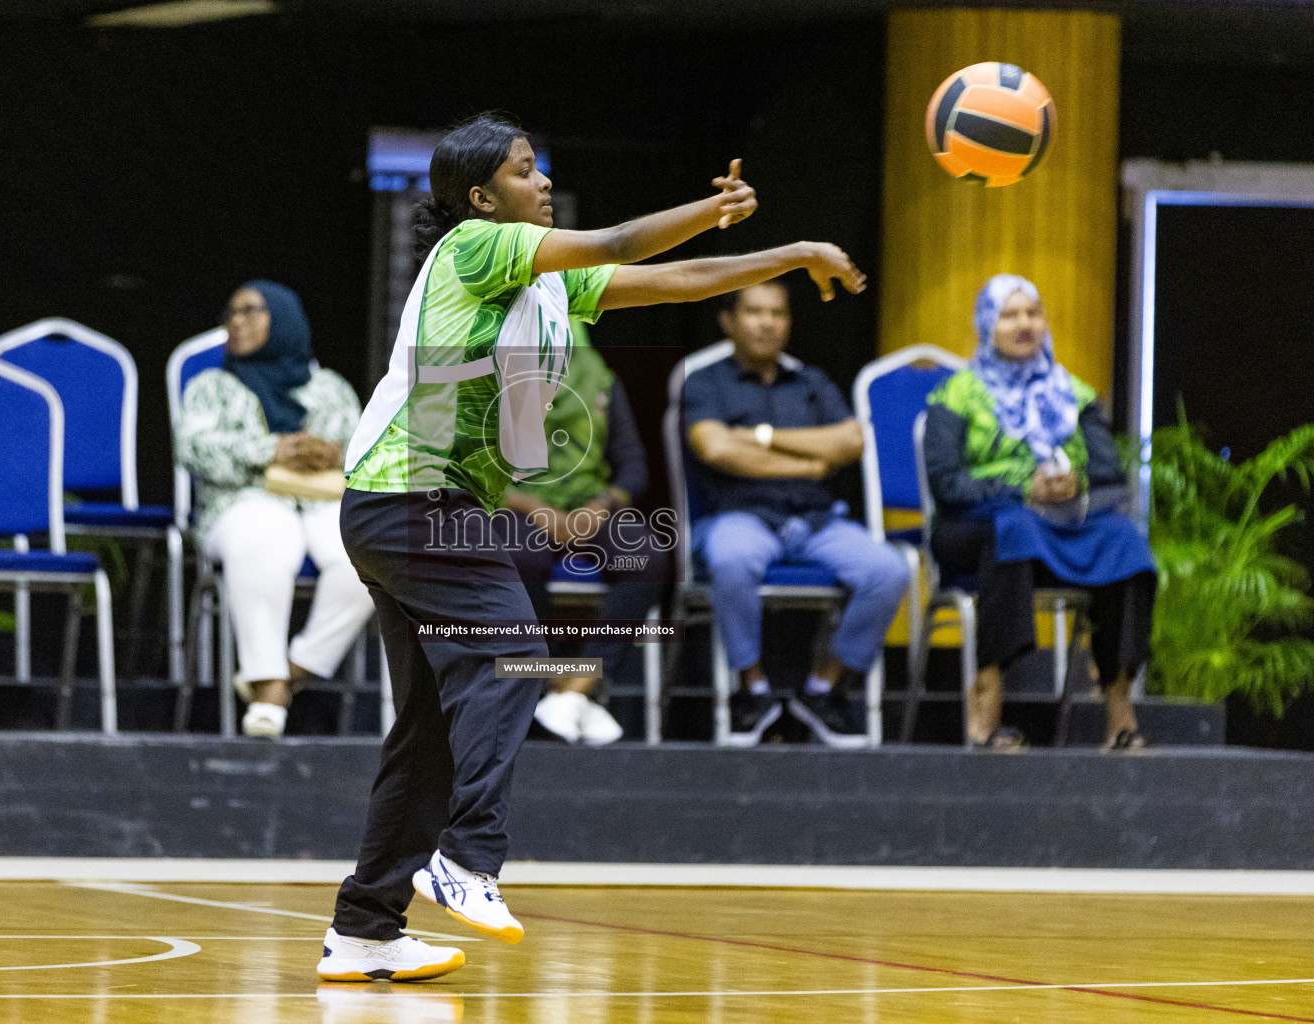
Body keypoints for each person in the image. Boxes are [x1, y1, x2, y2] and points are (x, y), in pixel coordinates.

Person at [316, 111, 865, 984]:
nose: (541, 183)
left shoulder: (544, 284)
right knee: (515, 657)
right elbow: (619, 237)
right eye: (526, 171)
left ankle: (364, 928)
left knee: (426, 734)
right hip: (406, 498)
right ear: (480, 196)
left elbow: (678, 282)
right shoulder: (474, 246)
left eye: (540, 171)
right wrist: (709, 208)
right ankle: (467, 859)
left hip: (410, 508)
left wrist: (788, 253)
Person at [924, 274, 1156, 751]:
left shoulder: (1075, 392)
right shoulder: (957, 393)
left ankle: (1118, 704)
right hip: (974, 525)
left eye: (1033, 312)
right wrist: (1021, 487)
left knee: (1125, 542)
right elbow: (946, 482)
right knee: (1015, 528)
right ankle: (986, 700)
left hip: (1063, 520)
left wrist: (1075, 484)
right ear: (987, 325)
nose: (1024, 323)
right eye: (1010, 314)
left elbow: (1109, 474)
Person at [683, 282, 912, 748]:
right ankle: (753, 689)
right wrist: (808, 462)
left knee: (888, 570)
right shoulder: (706, 381)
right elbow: (714, 447)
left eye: (778, 313)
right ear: (728, 320)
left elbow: (851, 441)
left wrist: (760, 436)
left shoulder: (812, 382)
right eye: (754, 312)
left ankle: (825, 688)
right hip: (738, 515)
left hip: (815, 520)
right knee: (731, 559)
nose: (767, 322)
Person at [176, 280, 374, 738]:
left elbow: (366, 451)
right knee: (265, 532)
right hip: (239, 502)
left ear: (283, 321)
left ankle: (292, 672)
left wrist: (333, 455)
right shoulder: (213, 386)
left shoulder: (330, 388)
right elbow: (194, 449)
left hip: (322, 502)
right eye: (232, 312)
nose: (235, 321)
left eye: (250, 311)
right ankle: (266, 685)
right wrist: (272, 449)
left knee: (366, 548)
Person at [499, 323, 668, 746]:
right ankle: (546, 683)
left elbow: (633, 466)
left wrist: (600, 507)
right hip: (516, 505)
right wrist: (536, 509)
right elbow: (466, 467)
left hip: (588, 507)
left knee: (647, 556)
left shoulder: (598, 379)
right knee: (518, 558)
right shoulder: (489, 376)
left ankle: (576, 687)